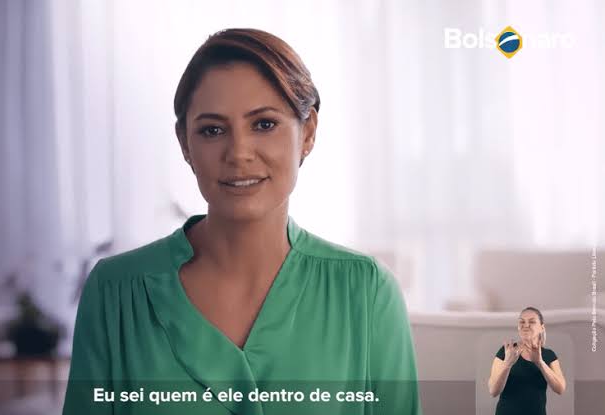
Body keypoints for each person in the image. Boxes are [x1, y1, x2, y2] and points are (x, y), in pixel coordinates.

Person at [63, 28, 421, 415]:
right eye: (212, 130)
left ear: (308, 133)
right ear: (185, 144)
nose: (238, 153)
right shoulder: (115, 293)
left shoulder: (365, 293)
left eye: (264, 124)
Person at [488, 306, 567, 415]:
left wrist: (540, 363)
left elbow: (560, 389)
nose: (526, 325)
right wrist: (507, 364)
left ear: (542, 327)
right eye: (522, 322)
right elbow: (493, 391)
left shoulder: (548, 355)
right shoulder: (506, 351)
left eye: (532, 322)